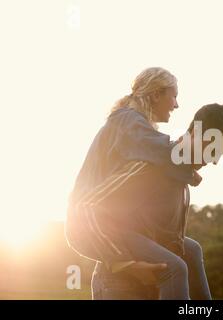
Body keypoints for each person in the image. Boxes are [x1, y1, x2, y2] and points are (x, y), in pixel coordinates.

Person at [65, 67, 199, 296]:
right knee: (175, 268)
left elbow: (169, 158)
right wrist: (215, 129)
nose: (176, 104)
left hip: (124, 230)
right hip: (99, 227)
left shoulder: (137, 130)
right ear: (156, 94)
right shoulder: (127, 122)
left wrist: (222, 126)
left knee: (191, 250)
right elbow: (170, 153)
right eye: (174, 95)